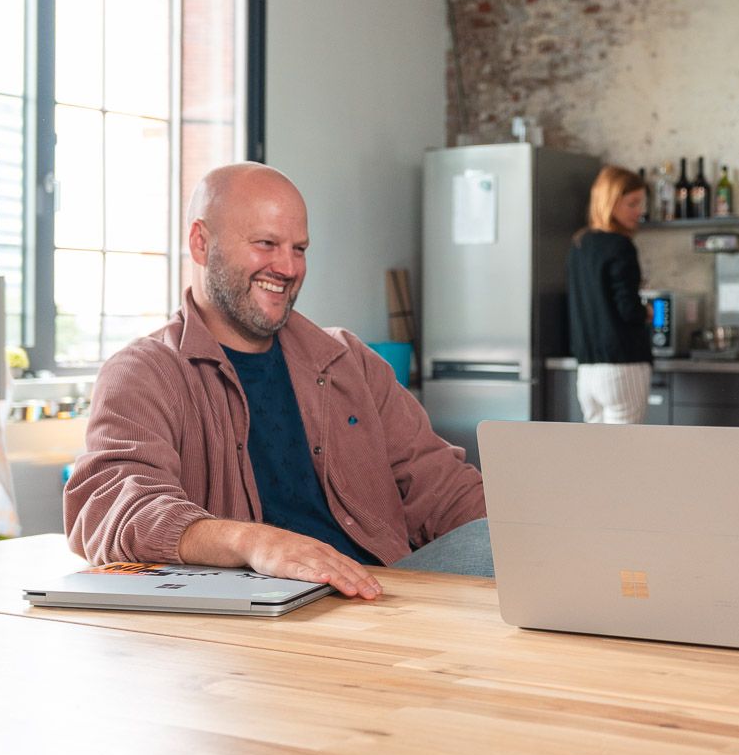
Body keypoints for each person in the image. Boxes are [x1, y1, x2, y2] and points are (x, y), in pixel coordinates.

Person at [65, 162, 492, 597]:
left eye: (300, 249)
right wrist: (251, 541)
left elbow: (442, 487)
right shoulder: (144, 373)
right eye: (266, 243)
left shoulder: (350, 362)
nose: (287, 268)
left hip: (379, 595)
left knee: (503, 545)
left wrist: (533, 527)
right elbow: (109, 506)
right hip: (258, 622)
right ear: (200, 243)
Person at [566, 164, 652, 425]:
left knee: (596, 456)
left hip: (587, 371)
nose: (640, 212)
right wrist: (645, 312)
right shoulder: (620, 245)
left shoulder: (579, 245)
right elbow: (627, 308)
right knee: (625, 454)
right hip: (621, 367)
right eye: (632, 203)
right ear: (611, 202)